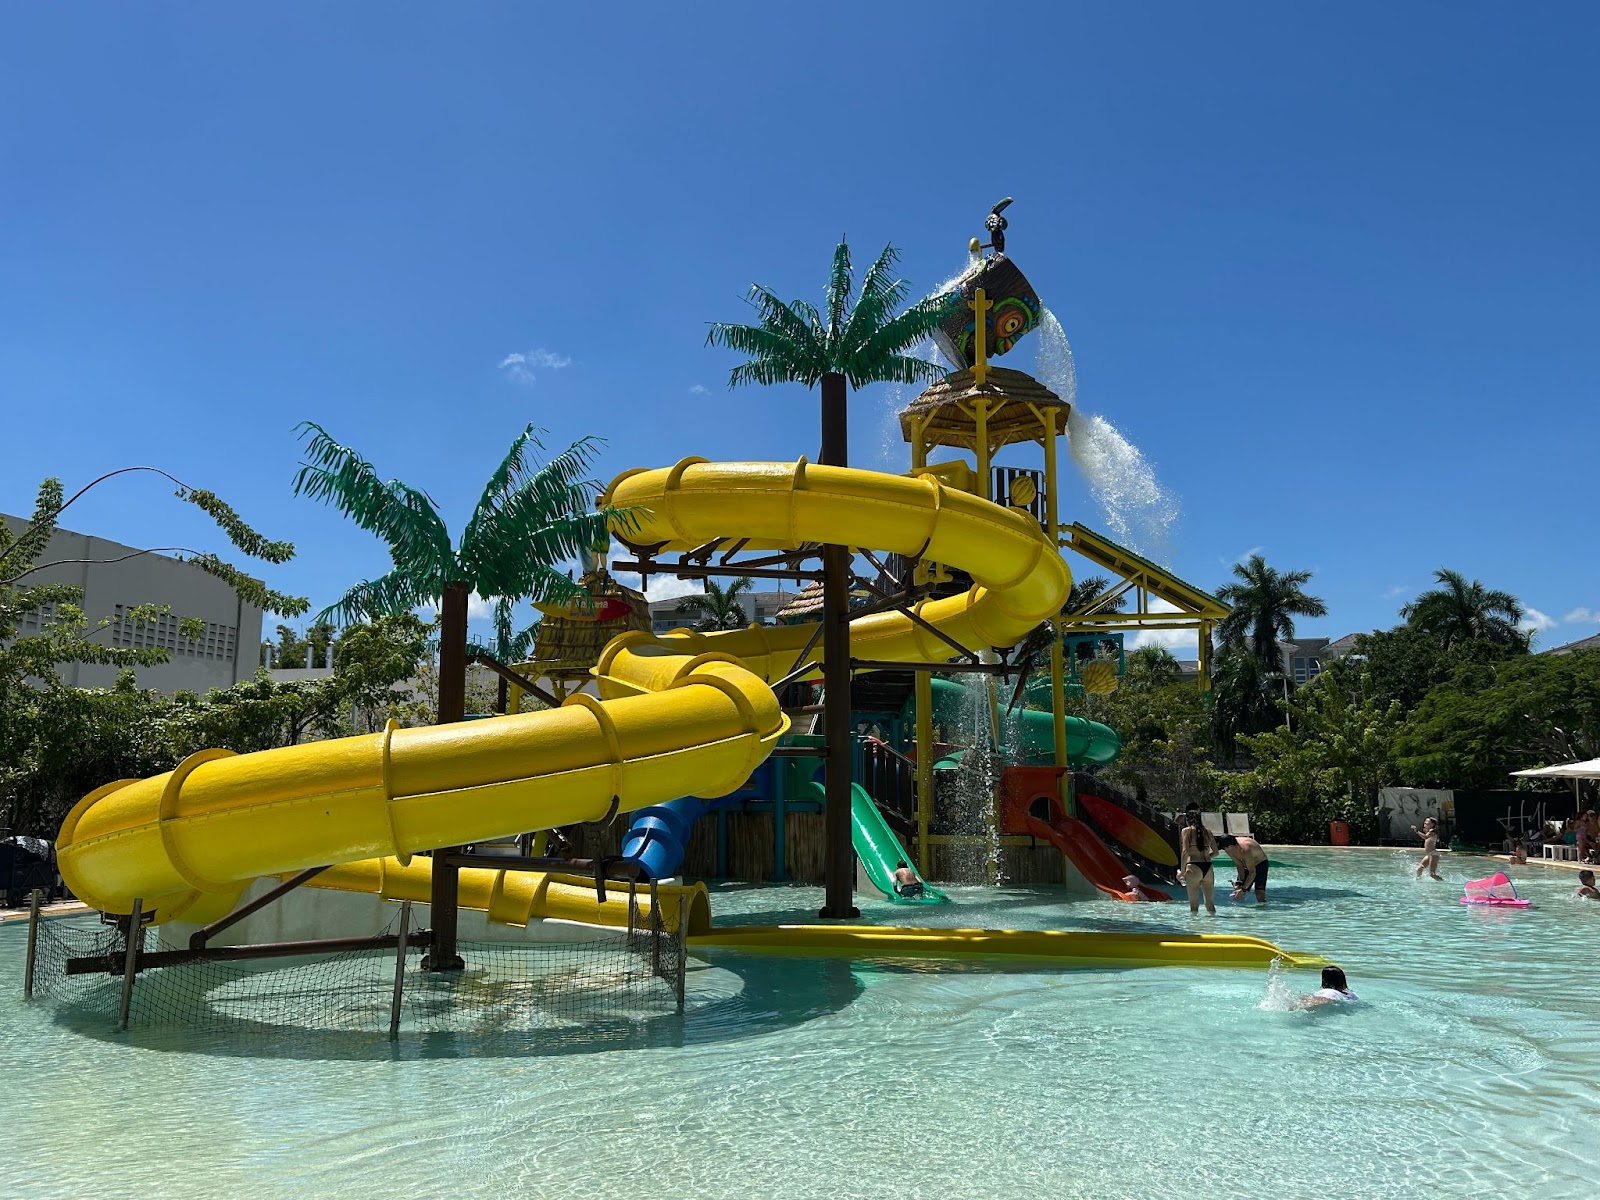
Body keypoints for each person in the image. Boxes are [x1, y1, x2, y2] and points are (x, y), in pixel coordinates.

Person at [1179, 808, 1217, 916]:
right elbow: (1216, 852)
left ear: (1187, 820)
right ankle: (1213, 923)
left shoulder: (1186, 831)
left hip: (1193, 866)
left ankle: (1194, 925)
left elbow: (1185, 852)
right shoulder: (1208, 832)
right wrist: (1207, 856)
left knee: (1194, 904)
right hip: (1208, 867)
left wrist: (1182, 871)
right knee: (1210, 903)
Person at [1216, 834, 1270, 904]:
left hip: (1260, 864)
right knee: (1238, 889)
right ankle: (1239, 909)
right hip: (1247, 865)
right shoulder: (1229, 848)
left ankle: (1263, 907)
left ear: (1230, 846)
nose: (1224, 850)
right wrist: (1241, 882)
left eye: (1224, 848)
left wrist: (1243, 889)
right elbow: (1239, 865)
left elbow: (1252, 872)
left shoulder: (1245, 849)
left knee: (1259, 892)